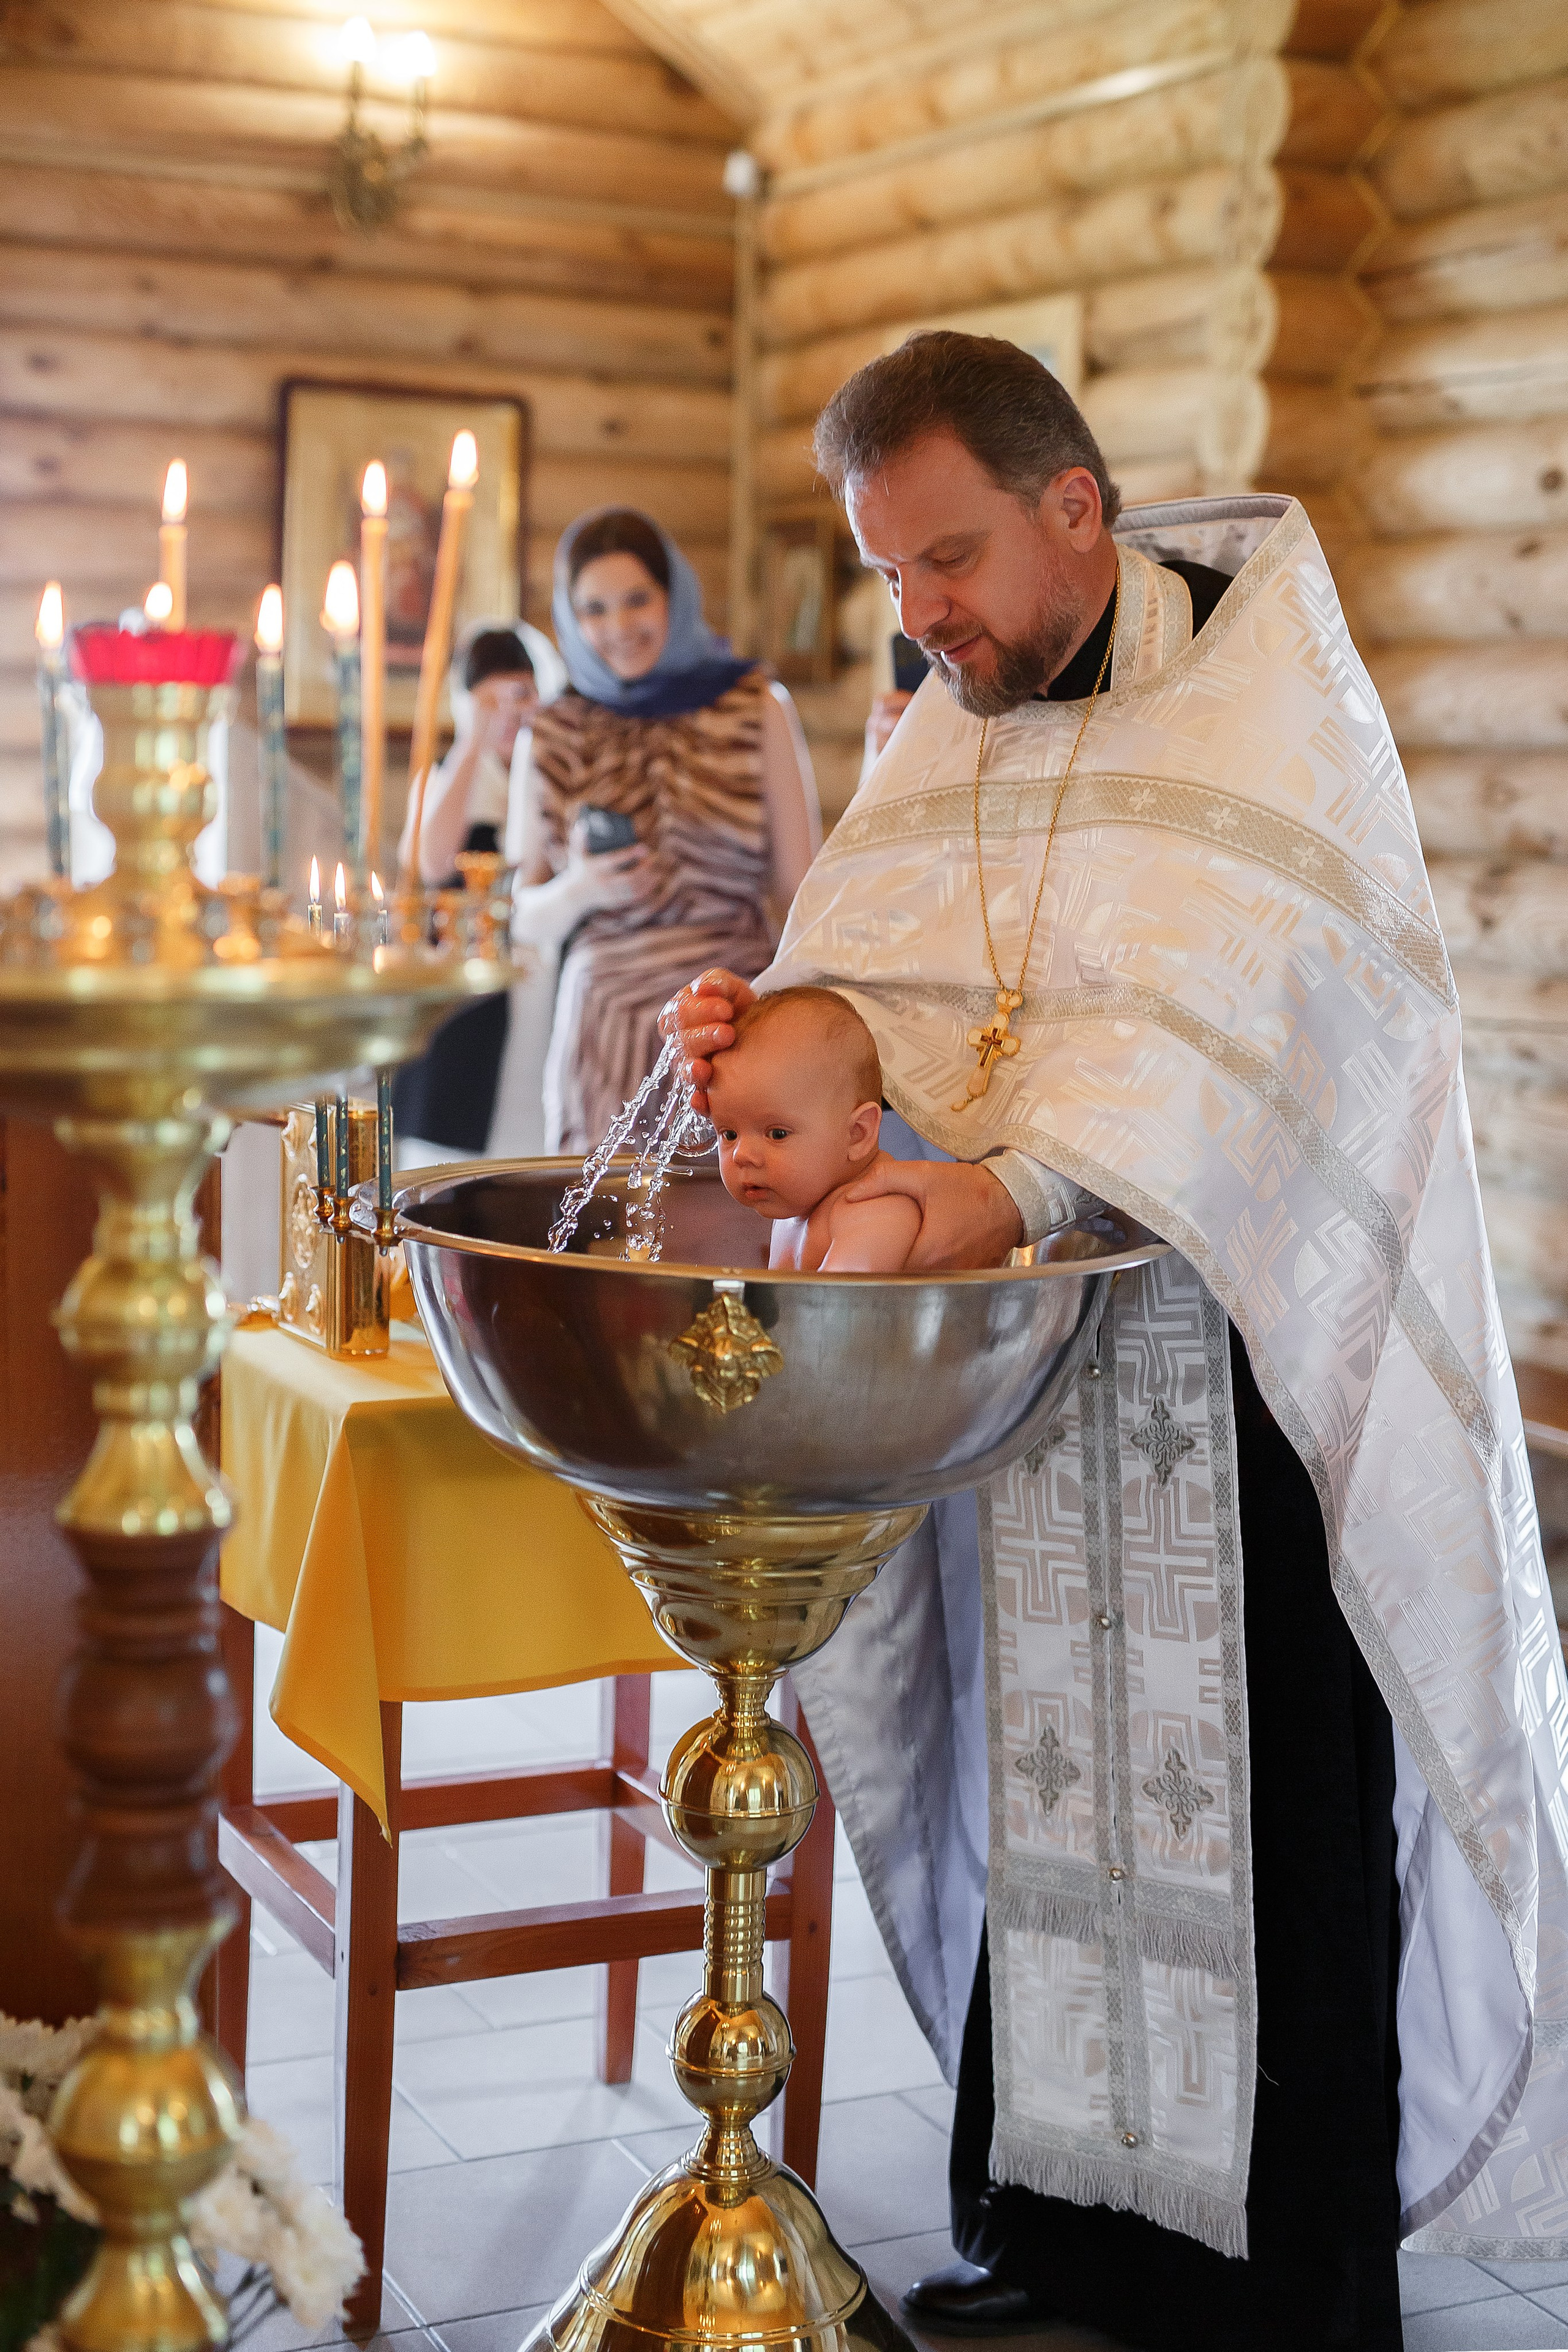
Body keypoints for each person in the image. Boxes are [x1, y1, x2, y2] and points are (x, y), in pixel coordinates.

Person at [666, 333, 1568, 2351]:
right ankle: (1059, 2245)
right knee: (1058, 1777)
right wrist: (765, 1044)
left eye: (950, 559)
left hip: (1252, 1363)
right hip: (1049, 1376)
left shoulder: (1263, 702)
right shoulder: (957, 718)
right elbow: (873, 988)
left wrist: (1016, 1188)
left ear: (1073, 506)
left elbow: (1251, 1025)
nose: (924, 615)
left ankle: (1295, 2293)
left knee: (1268, 1804)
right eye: (889, 573)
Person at [509, 507, 820, 1155]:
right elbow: (519, 918)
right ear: (569, 617)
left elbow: (801, 891)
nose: (619, 628)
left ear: (673, 596)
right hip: (603, 1029)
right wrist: (580, 890)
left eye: (637, 600)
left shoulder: (755, 706)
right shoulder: (552, 730)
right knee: (605, 1217)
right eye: (593, 610)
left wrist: (804, 1023)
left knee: (736, 1209)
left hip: (729, 1023)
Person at [392, 620, 563, 1158]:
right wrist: (474, 742)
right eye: (490, 700)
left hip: (538, 987)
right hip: (464, 992)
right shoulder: (449, 777)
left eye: (520, 695)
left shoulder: (556, 774)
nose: (508, 713)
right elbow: (431, 861)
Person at [708, 986, 922, 1272]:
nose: (741, 1155)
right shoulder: (795, 1208)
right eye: (729, 1134)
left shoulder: (875, 1211)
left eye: (777, 1134)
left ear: (857, 1134)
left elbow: (839, 1302)